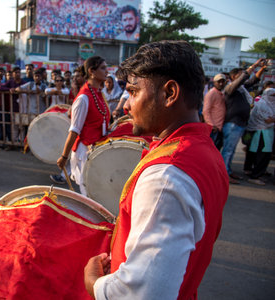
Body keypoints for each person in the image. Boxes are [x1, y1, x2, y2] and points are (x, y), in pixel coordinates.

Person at [84, 40, 229, 300]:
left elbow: (143, 293)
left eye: (133, 92)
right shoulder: (205, 151)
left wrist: (94, 283)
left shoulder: (166, 177)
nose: (127, 105)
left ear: (169, 93)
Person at [56, 56, 110, 195]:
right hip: (85, 153)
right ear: (92, 71)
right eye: (103, 68)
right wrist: (64, 157)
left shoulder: (99, 94)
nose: (107, 71)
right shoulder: (83, 98)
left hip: (97, 150)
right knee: (88, 196)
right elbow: (74, 131)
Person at [221, 59, 267, 184]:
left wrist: (262, 69)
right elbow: (243, 79)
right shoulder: (230, 88)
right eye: (240, 74)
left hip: (239, 123)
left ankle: (228, 171)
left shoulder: (242, 89)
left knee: (232, 150)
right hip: (232, 123)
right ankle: (224, 174)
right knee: (228, 150)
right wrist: (254, 66)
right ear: (234, 77)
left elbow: (253, 80)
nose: (243, 76)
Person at [243, 88, 275, 186]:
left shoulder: (270, 104)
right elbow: (267, 120)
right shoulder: (262, 104)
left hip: (266, 132)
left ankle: (256, 172)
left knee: (262, 155)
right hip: (261, 132)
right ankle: (255, 176)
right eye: (272, 95)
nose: (273, 98)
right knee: (261, 155)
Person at [203, 73, 227, 149]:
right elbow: (206, 111)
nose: (221, 84)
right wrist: (211, 124)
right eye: (219, 81)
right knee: (210, 149)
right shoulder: (211, 93)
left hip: (219, 127)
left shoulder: (222, 93)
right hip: (213, 128)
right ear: (214, 82)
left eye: (223, 82)